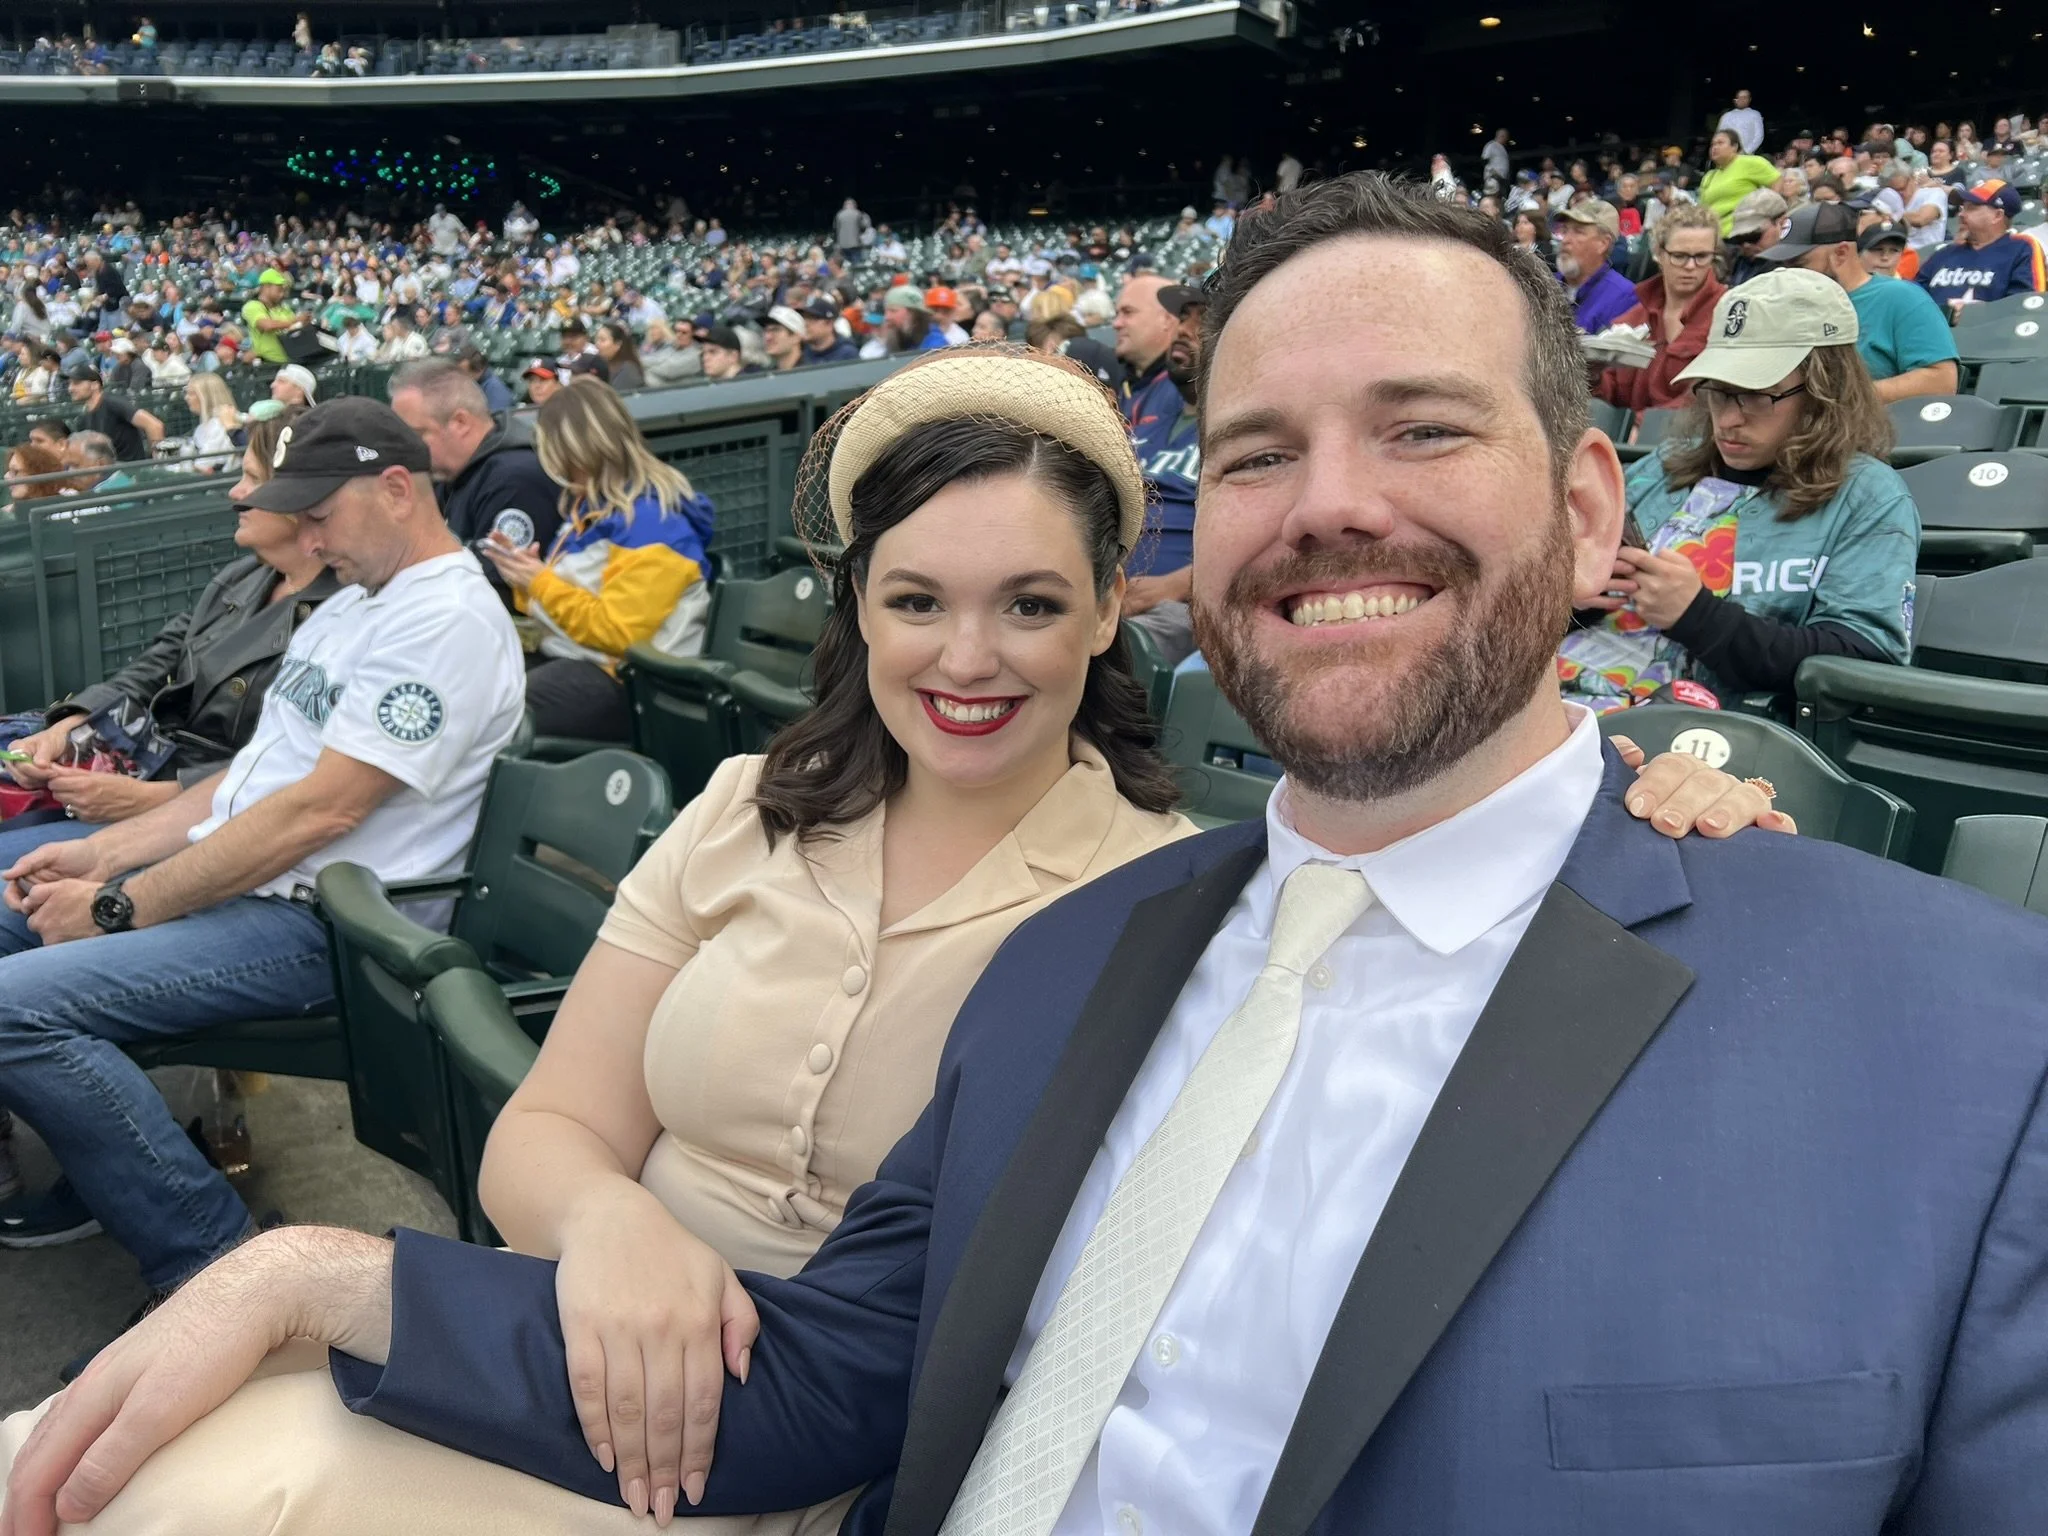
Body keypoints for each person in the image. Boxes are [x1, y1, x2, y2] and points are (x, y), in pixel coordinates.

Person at [0, 338, 1779, 1534]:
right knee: (120, 1450)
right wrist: (612, 1232)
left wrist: (1652, 793)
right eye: (917, 600)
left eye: (1028, 604)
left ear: (1109, 616)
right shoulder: (743, 806)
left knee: (226, 1475)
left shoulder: (1175, 899)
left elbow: (1441, 866)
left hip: (787, 1453)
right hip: (558, 1347)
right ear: (855, 609)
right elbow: (552, 1126)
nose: (968, 657)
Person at [0, 396, 525, 1365]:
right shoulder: (357, 605)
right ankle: (88, 1171)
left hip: (328, 929)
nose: (310, 535)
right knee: (9, 885)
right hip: (264, 891)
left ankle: (211, 1266)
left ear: (398, 488)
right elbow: (238, 791)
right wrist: (100, 855)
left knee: (12, 1007)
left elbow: (317, 814)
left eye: (322, 513)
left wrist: (120, 906)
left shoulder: (444, 616)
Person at [1561, 268, 1919, 711]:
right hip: (1552, 700)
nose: (1728, 418)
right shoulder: (1666, 465)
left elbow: (1864, 658)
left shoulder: (1870, 497)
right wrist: (1570, 596)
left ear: (1825, 391)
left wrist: (1699, 618)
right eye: (1718, 392)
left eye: (1756, 395)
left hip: (1691, 736)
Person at [1, 407, 336, 856]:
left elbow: (301, 764)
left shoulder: (344, 610)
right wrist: (70, 726)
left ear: (302, 501)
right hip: (160, 774)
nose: (236, 492)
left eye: (253, 480)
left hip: (218, 822)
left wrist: (152, 798)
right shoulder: (243, 576)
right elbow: (151, 668)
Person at [474, 383, 714, 742]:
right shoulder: (590, 509)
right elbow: (574, 599)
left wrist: (539, 582)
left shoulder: (654, 523)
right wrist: (524, 576)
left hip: (629, 684)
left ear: (577, 452)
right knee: (472, 681)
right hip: (576, 659)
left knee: (495, 710)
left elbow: (621, 635)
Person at [387, 358, 564, 607]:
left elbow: (493, 592)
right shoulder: (449, 471)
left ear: (460, 423)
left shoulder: (514, 478)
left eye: (416, 435)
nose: (406, 449)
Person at [1764, 202, 1959, 401]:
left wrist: (1845, 400)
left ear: (1840, 253)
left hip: (1874, 426)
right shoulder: (1789, 303)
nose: (1788, 273)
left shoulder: (1900, 298)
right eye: (1785, 265)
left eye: (1799, 265)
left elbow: (1942, 381)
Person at [1122, 283, 1204, 665]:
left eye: (1203, 322)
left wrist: (1170, 587)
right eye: (1183, 319)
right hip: (1108, 590)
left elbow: (1273, 544)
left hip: (1180, 605)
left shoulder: (1252, 426)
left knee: (1118, 650)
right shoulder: (1150, 414)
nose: (1184, 330)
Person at [1591, 203, 1724, 412]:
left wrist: (1642, 427)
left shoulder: (1727, 314)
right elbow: (1608, 395)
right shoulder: (1630, 321)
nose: (1690, 266)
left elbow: (1714, 394)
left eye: (1701, 256)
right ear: (1659, 255)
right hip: (1627, 440)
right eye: (1679, 256)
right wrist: (1593, 375)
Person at [1917, 180, 2047, 310]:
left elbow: (2027, 306)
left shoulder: (2021, 249)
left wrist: (1976, 315)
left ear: (1997, 215)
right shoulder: (1942, 255)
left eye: (1971, 208)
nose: (1961, 214)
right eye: (1962, 207)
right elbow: (1910, 300)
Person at [1551, 200, 1637, 333]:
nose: (1566, 240)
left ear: (1603, 244)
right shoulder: (1546, 286)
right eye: (1564, 230)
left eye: (1578, 232)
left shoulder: (1624, 297)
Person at [65, 363, 161, 466]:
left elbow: (154, 425)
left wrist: (158, 463)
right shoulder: (82, 419)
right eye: (69, 384)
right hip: (108, 475)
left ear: (95, 385)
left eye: (76, 383)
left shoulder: (113, 403)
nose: (70, 389)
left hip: (132, 472)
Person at [1698, 129, 1783, 236]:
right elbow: (1702, 207)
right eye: (1713, 144)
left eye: (1720, 143)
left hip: (1743, 233)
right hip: (1714, 235)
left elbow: (1777, 180)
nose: (1714, 147)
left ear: (1734, 146)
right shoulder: (1709, 176)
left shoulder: (1750, 162)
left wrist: (1769, 214)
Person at [1110, 272, 1175, 405]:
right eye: (1117, 314)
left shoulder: (1191, 390)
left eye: (1128, 312)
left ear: (1166, 319)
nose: (1116, 324)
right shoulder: (1124, 384)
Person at [1722, 188, 1787, 286]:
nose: (1746, 245)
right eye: (1739, 239)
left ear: (1781, 224)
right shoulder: (1729, 261)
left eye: (1754, 236)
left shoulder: (1790, 268)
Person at [239, 269, 301, 367]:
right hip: (267, 364)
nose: (282, 294)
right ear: (266, 287)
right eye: (279, 290)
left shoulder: (284, 308)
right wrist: (294, 321)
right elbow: (266, 325)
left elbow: (295, 327)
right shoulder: (253, 306)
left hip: (289, 361)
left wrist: (301, 323)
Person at [182, 373, 241, 472]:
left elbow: (204, 465)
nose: (186, 398)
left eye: (191, 394)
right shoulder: (204, 426)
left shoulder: (218, 425)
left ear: (206, 397)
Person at [799, 298, 858, 364]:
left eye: (812, 320)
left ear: (829, 324)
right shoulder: (800, 350)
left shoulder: (847, 354)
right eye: (804, 319)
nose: (806, 324)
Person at [593, 322, 645, 391]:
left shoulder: (628, 369)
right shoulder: (601, 365)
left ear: (618, 344)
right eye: (597, 339)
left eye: (602, 340)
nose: (597, 344)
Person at [1717, 88, 1765, 155]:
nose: (1741, 100)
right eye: (1739, 97)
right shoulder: (1726, 116)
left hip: (1747, 155)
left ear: (1749, 99)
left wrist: (1746, 151)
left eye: (1745, 97)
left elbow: (1759, 136)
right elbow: (1719, 135)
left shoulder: (1755, 114)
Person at [761, 306, 806, 371]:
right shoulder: (766, 376)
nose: (768, 337)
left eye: (776, 330)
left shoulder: (814, 373)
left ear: (796, 337)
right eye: (766, 331)